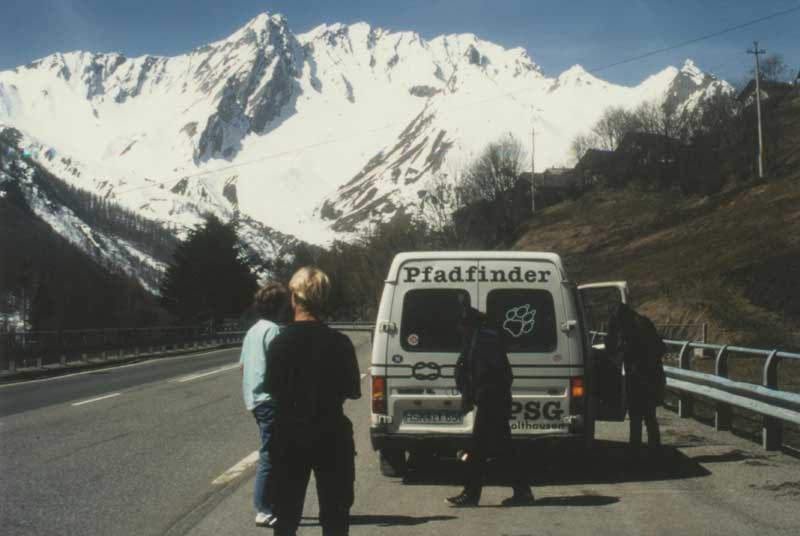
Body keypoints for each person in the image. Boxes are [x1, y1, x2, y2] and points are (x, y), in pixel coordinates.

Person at [266, 267, 362, 536]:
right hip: (331, 434)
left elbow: (272, 390)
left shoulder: (279, 344)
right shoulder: (340, 343)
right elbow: (351, 391)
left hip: (289, 436)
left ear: (294, 299)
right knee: (335, 516)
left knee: (285, 516)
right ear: (324, 299)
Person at [446, 306, 535, 507]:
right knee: (504, 448)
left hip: (492, 400)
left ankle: (471, 494)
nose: (460, 329)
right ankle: (522, 491)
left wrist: (478, 396)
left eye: (463, 325)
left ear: (470, 324)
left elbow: (491, 374)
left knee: (478, 449)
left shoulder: (486, 341)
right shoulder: (477, 339)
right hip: (491, 400)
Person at [239, 282, 289, 527]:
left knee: (273, 451)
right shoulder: (274, 331)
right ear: (279, 306)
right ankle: (263, 508)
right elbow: (280, 368)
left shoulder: (253, 331)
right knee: (270, 454)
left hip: (254, 400)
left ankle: (273, 502)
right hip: (270, 400)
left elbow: (242, 367)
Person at [605, 303, 666, 448]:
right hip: (652, 376)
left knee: (636, 417)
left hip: (638, 378)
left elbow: (612, 348)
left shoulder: (629, 330)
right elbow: (661, 348)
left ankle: (636, 450)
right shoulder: (643, 324)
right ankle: (654, 448)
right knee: (650, 416)